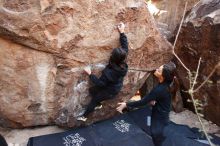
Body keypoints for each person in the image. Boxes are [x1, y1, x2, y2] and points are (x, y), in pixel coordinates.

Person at [116, 62, 178, 146]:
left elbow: (142, 102)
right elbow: (163, 96)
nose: (156, 69)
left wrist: (126, 104)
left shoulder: (159, 90)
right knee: (158, 131)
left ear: (162, 76)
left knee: (155, 133)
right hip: (163, 111)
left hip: (159, 116)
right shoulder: (168, 83)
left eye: (159, 71)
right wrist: (157, 100)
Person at [77, 22, 128, 121]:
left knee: (94, 99)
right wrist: (122, 32)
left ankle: (84, 116)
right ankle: (99, 103)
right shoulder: (123, 63)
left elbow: (100, 83)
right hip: (115, 86)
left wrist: (90, 74)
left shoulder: (109, 72)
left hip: (110, 91)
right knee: (92, 90)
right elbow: (125, 46)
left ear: (112, 57)